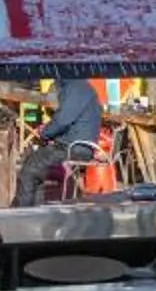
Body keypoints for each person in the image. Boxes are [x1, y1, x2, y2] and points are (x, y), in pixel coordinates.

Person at [11, 75, 104, 205]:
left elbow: (62, 121)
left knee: (29, 171)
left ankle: (22, 212)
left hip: (75, 149)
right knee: (33, 162)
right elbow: (66, 120)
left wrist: (45, 133)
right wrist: (49, 130)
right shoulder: (80, 86)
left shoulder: (75, 87)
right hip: (76, 145)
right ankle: (35, 211)